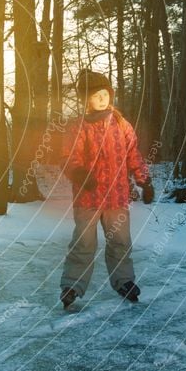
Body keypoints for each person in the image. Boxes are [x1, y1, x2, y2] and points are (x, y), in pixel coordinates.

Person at [59, 69, 154, 309]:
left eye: (105, 94)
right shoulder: (78, 126)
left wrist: (145, 180)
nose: (102, 98)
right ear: (86, 100)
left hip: (117, 197)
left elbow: (133, 154)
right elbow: (69, 157)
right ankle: (72, 285)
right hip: (87, 198)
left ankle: (124, 281)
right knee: (84, 243)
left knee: (120, 242)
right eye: (95, 95)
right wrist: (79, 173)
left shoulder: (121, 123)